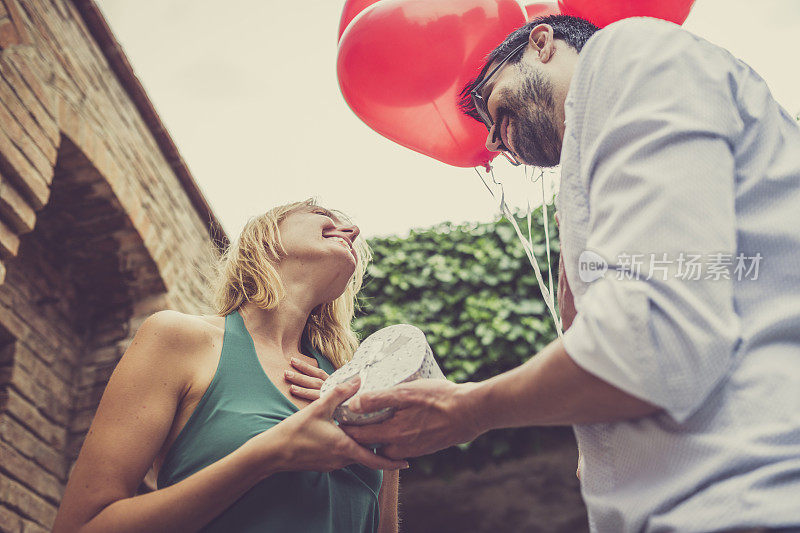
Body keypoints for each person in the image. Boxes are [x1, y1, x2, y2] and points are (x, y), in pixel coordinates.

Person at [342, 14, 800, 533]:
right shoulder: (598, 172)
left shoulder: (625, 53)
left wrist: (469, 408)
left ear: (542, 43)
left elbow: (654, 342)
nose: (492, 142)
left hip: (747, 504)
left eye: (491, 104)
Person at [53, 199, 406, 533]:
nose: (352, 229)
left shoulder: (353, 387)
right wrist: (269, 453)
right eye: (321, 214)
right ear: (265, 237)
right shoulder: (178, 338)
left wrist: (385, 434)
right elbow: (82, 526)